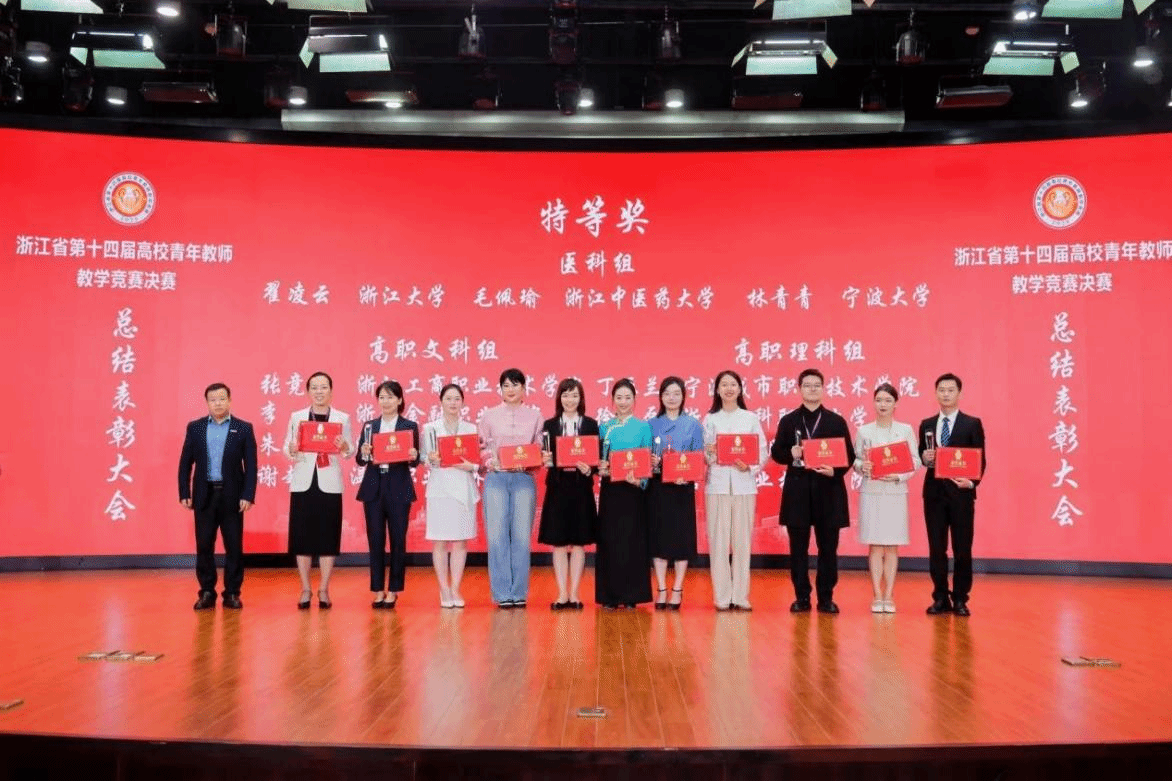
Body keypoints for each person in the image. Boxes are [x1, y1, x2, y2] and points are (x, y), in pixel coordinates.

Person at [770, 368, 855, 615]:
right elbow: (777, 453)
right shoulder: (789, 421)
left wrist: (835, 471)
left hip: (828, 490)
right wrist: (791, 454)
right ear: (799, 389)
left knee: (828, 548)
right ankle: (802, 597)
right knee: (798, 549)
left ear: (823, 388)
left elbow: (849, 455)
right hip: (798, 491)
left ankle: (826, 598)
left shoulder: (836, 421)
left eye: (816, 385)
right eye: (807, 385)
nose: (812, 389)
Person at [178, 382, 258, 611]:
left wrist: (248, 494)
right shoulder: (195, 427)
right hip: (204, 495)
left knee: (234, 546)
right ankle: (206, 591)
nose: (218, 403)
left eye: (222, 399)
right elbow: (185, 463)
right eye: (213, 400)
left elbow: (251, 466)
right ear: (207, 403)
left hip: (232, 496)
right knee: (204, 545)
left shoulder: (243, 428)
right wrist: (184, 491)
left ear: (229, 400)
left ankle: (232, 592)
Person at [283, 371, 353, 610]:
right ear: (307, 391)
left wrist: (344, 446)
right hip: (303, 481)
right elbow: (287, 447)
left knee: (327, 537)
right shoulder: (297, 417)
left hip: (329, 482)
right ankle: (305, 588)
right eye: (314, 387)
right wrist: (292, 449)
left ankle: (324, 588)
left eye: (323, 387)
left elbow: (349, 451)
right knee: (301, 537)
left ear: (331, 391)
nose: (319, 391)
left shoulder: (342, 418)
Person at [919, 372, 986, 617]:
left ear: (959, 393)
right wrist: (925, 458)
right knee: (937, 549)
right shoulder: (927, 424)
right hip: (934, 495)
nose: (945, 394)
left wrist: (972, 482)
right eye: (941, 390)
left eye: (950, 390)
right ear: (935, 393)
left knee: (962, 549)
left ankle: (960, 598)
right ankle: (940, 597)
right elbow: (922, 455)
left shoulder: (972, 423)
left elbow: (980, 459)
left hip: (961, 494)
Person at [702, 370, 769, 612]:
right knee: (718, 544)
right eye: (724, 384)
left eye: (733, 384)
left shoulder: (750, 418)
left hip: (743, 486)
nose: (729, 388)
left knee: (742, 543)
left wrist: (749, 466)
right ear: (717, 390)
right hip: (717, 486)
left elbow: (762, 450)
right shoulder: (710, 419)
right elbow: (704, 455)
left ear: (740, 389)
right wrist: (710, 453)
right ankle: (722, 597)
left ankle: (740, 596)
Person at [852, 383, 921, 614]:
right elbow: (856, 460)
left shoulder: (905, 430)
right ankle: (877, 595)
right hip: (872, 491)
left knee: (891, 545)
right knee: (875, 545)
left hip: (895, 491)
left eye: (888, 400)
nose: (883, 404)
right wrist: (862, 466)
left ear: (895, 404)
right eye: (879, 400)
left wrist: (899, 475)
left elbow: (915, 460)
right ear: (873, 403)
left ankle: (889, 595)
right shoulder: (864, 431)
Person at [479, 368, 544, 608]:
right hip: (497, 478)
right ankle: (502, 593)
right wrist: (490, 461)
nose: (510, 389)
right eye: (506, 385)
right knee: (497, 537)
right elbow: (481, 447)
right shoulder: (489, 416)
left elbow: (539, 446)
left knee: (521, 537)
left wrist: (533, 459)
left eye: (515, 384)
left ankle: (519, 592)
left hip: (523, 479)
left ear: (524, 388)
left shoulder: (535, 416)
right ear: (500, 389)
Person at [355, 380, 419, 609]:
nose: (386, 401)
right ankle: (378, 590)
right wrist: (364, 452)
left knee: (398, 540)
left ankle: (393, 589)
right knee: (376, 540)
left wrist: (413, 454)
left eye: (391, 397)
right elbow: (360, 460)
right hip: (374, 487)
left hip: (399, 487)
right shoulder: (370, 426)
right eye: (382, 397)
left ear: (400, 400)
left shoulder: (409, 426)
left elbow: (415, 461)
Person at [538, 378, 598, 610]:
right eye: (565, 395)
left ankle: (574, 594)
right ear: (559, 398)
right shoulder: (550, 425)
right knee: (559, 543)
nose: (570, 400)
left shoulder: (590, 425)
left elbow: (597, 457)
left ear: (581, 398)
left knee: (580, 543)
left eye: (574, 395)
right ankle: (562, 593)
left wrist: (589, 468)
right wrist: (546, 459)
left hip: (581, 488)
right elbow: (544, 455)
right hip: (558, 488)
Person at [420, 383, 480, 608]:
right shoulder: (430, 428)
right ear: (441, 402)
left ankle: (455, 588)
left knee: (461, 541)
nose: (453, 403)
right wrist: (430, 459)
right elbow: (423, 458)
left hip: (463, 487)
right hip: (440, 489)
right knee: (440, 540)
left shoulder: (470, 428)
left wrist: (472, 466)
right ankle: (444, 589)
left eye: (457, 399)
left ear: (462, 402)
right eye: (448, 398)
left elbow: (476, 459)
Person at [596, 378, 653, 609]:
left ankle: (632, 596)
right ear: (612, 400)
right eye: (619, 397)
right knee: (610, 541)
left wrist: (640, 481)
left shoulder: (643, 427)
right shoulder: (604, 427)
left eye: (627, 397)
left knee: (633, 542)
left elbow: (647, 460)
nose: (623, 402)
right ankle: (609, 596)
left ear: (635, 400)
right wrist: (600, 467)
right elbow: (599, 459)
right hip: (611, 491)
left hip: (633, 491)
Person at [648, 376, 704, 610]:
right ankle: (661, 588)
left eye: (676, 393)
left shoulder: (693, 425)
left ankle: (678, 589)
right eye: (667, 393)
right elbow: (644, 457)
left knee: (682, 539)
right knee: (659, 539)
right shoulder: (651, 424)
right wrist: (651, 461)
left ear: (683, 397)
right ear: (661, 397)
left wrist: (688, 474)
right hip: (658, 488)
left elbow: (698, 458)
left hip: (682, 488)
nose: (672, 398)